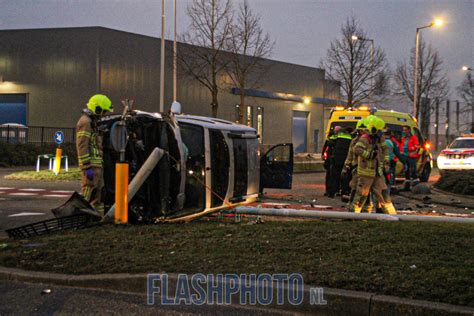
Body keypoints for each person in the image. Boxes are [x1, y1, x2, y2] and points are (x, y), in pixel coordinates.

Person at [349, 116, 396, 214]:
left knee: (384, 194)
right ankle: (353, 215)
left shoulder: (379, 138)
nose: (381, 133)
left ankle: (391, 215)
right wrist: (369, 155)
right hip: (366, 172)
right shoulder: (364, 139)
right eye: (379, 131)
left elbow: (384, 150)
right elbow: (357, 149)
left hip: (377, 172)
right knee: (361, 195)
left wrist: (386, 162)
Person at [76, 94, 113, 215]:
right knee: (88, 191)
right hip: (91, 166)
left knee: (99, 194)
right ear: (97, 109)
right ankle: (79, 216)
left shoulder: (92, 122)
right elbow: (82, 146)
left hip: (97, 165)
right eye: (103, 111)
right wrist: (87, 167)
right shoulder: (85, 122)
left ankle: (97, 217)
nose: (104, 114)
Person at [329, 126, 352, 197]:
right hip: (345, 159)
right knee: (345, 176)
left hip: (336, 158)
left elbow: (329, 143)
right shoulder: (350, 138)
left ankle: (333, 192)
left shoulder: (337, 136)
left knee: (334, 175)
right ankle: (344, 192)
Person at [384, 129, 404, 193]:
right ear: (390, 135)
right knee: (391, 175)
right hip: (391, 161)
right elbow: (397, 153)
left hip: (382, 161)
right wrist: (404, 161)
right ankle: (391, 188)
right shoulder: (392, 142)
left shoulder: (381, 141)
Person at [322, 128, 338, 196]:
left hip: (328, 160)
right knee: (334, 176)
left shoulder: (328, 140)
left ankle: (328, 190)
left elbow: (324, 151)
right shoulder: (338, 140)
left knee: (328, 176)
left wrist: (324, 158)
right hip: (335, 161)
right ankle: (334, 190)